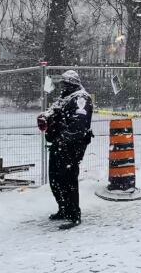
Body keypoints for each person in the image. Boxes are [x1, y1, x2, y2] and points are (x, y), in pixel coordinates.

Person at [37, 70, 93, 230]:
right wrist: (45, 117)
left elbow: (79, 124)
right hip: (59, 144)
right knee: (55, 178)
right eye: (63, 84)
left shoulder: (81, 98)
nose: (63, 86)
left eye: (66, 83)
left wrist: (64, 138)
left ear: (73, 83)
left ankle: (74, 214)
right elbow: (53, 112)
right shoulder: (65, 97)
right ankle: (63, 209)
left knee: (68, 180)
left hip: (72, 146)